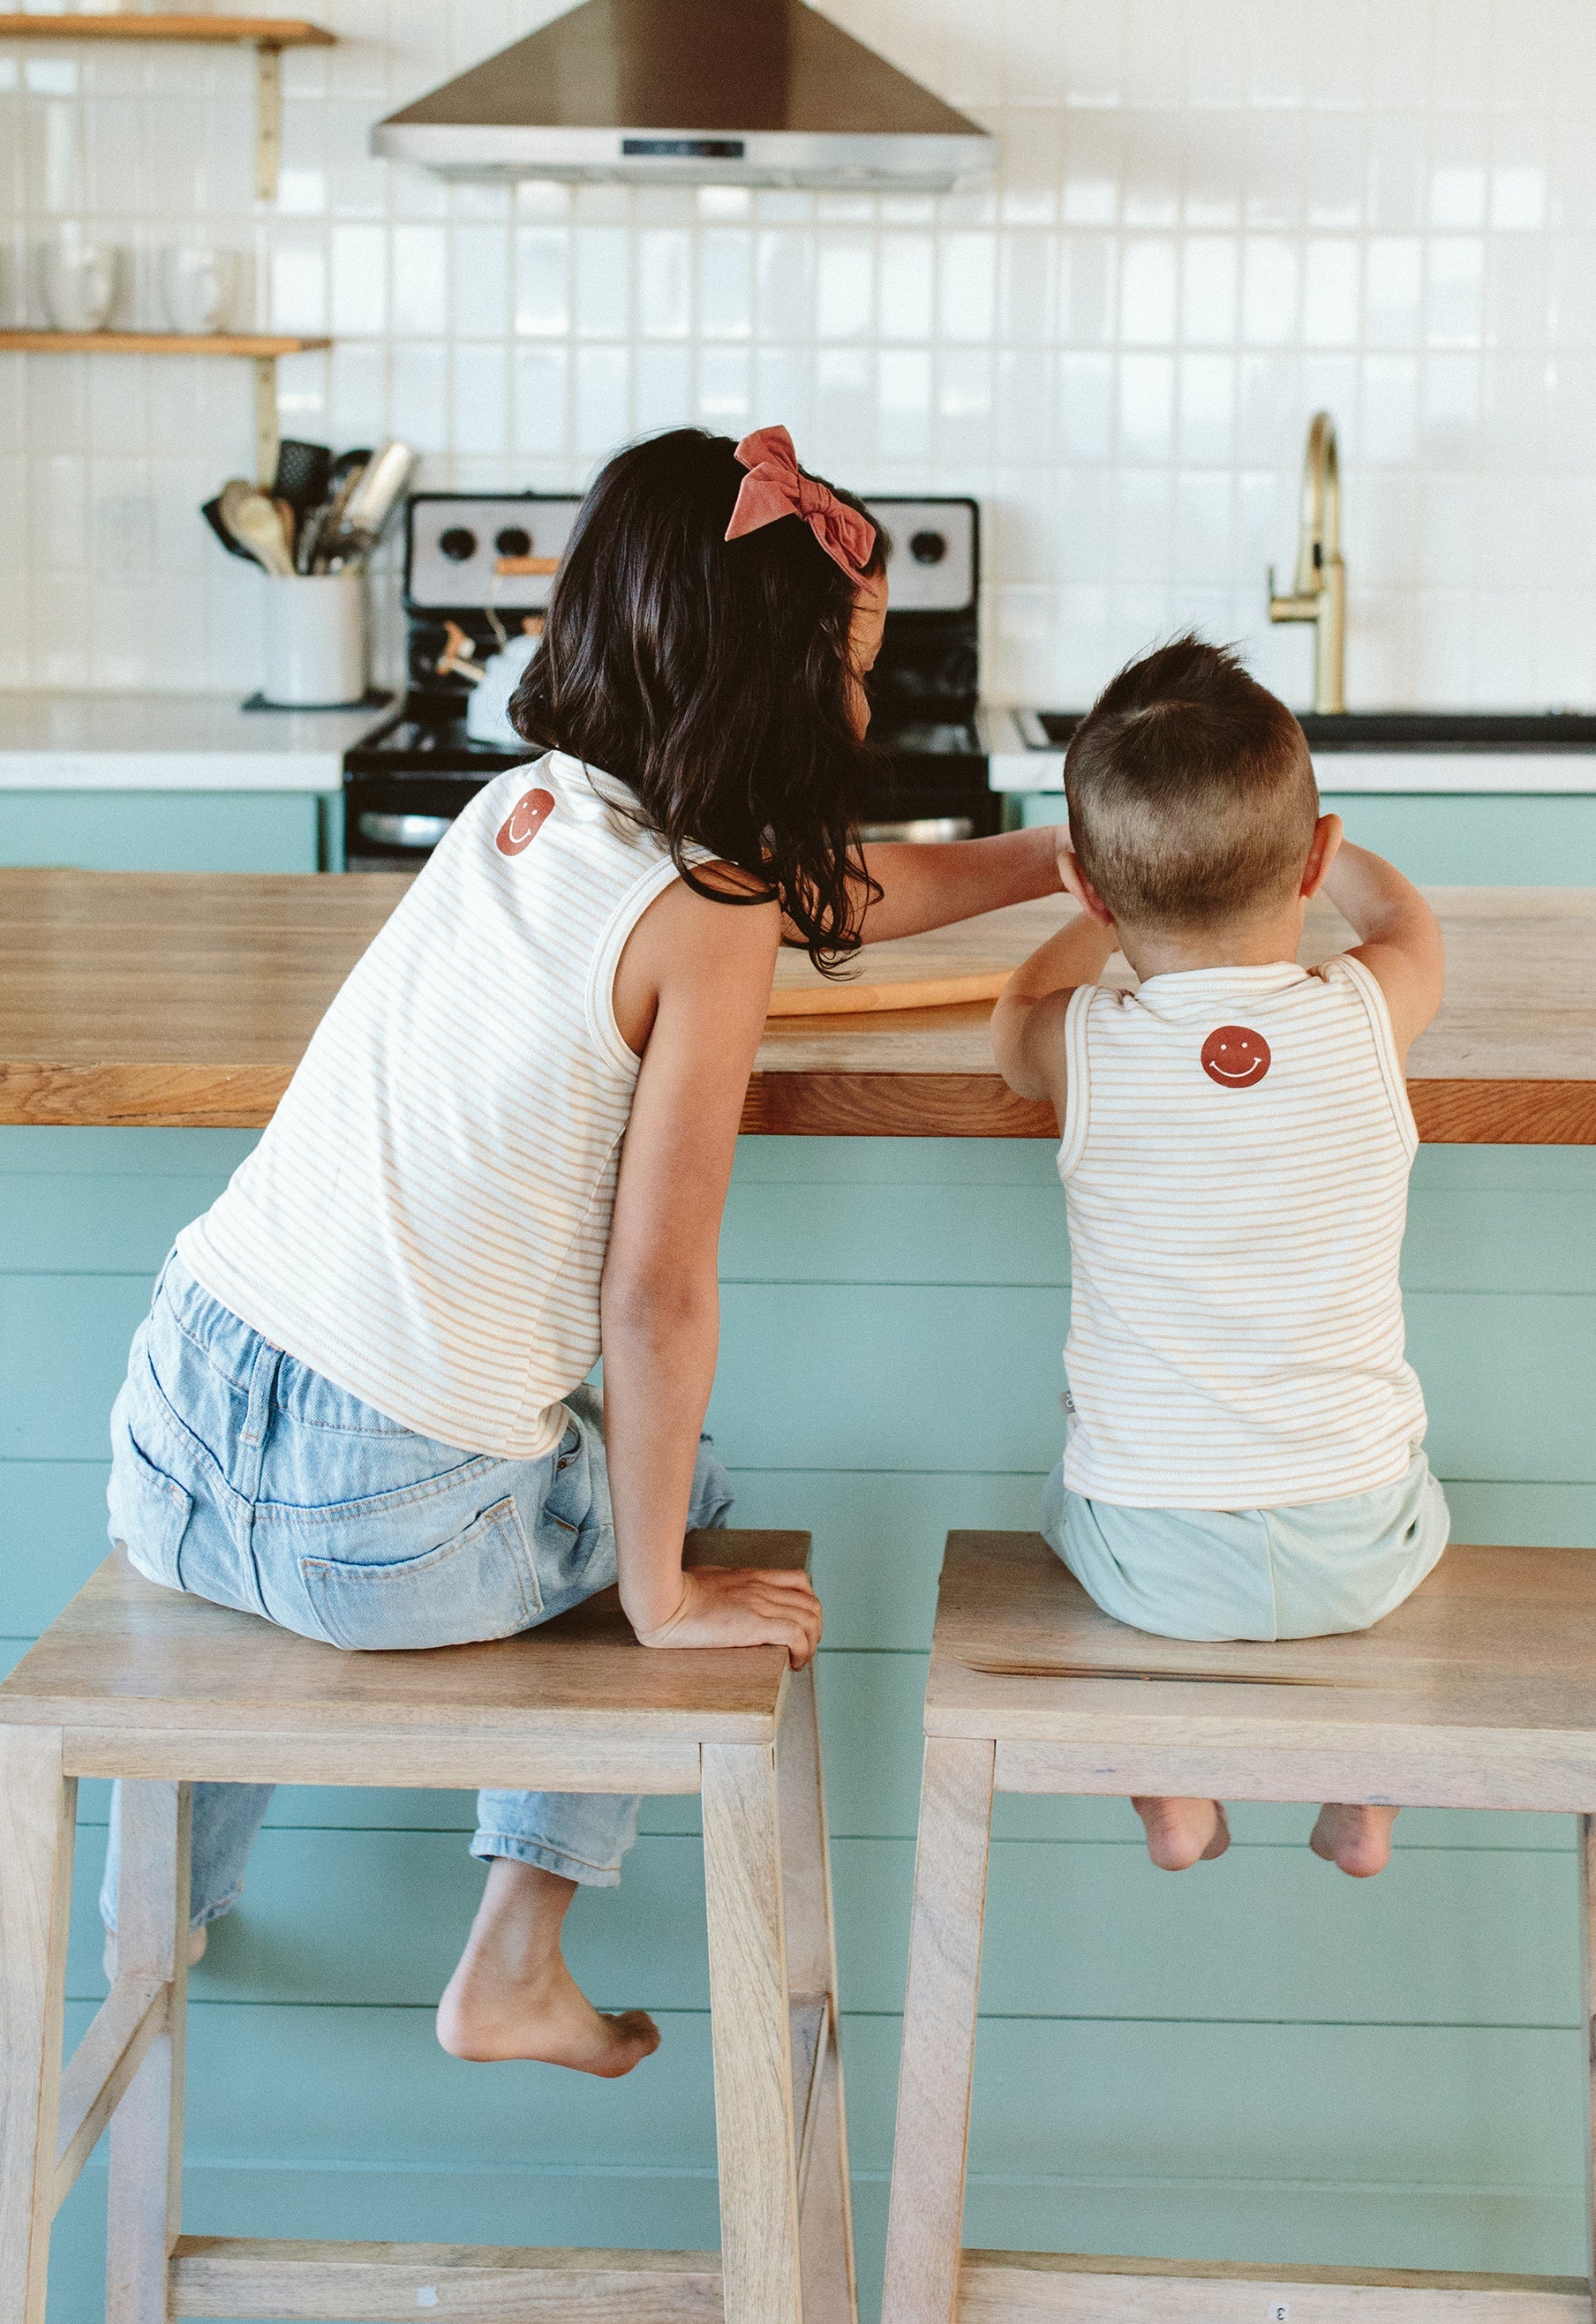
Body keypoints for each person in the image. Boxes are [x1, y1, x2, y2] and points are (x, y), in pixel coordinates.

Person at [104, 425, 1073, 2072]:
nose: (860, 712)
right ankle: (516, 1953)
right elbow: (656, 1293)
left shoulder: (524, 811)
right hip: (376, 1531)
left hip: (173, 1443)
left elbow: (824, 888)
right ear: (768, 687)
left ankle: (164, 1915)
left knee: (428, 1476)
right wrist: (657, 1596)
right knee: (673, 1488)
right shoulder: (706, 917)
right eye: (848, 678)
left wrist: (1053, 857)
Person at [989, 634, 1448, 1881]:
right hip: (1364, 1542)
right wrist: (1342, 869)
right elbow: (1411, 928)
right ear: (1316, 854)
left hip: (1149, 1556)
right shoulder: (1366, 1011)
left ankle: (1172, 1794)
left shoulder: (1084, 1045)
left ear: (1089, 886)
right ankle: (1366, 1796)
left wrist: (1097, 912)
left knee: (1075, 1479)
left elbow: (1010, 1017)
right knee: (1403, 1478)